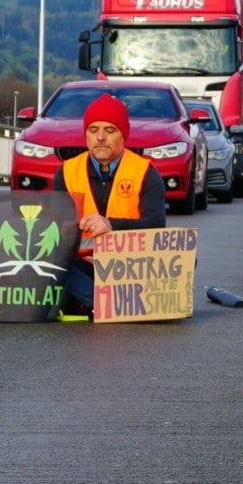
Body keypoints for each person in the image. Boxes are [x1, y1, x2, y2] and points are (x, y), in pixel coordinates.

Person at [57, 92, 167, 318]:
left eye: (109, 130)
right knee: (52, 264)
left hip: (132, 265)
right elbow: (55, 229)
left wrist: (111, 225)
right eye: (93, 130)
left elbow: (156, 225)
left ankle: (95, 303)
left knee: (184, 258)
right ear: (86, 135)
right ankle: (113, 305)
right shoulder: (66, 172)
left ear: (123, 135)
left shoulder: (146, 172)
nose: (100, 137)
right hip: (86, 264)